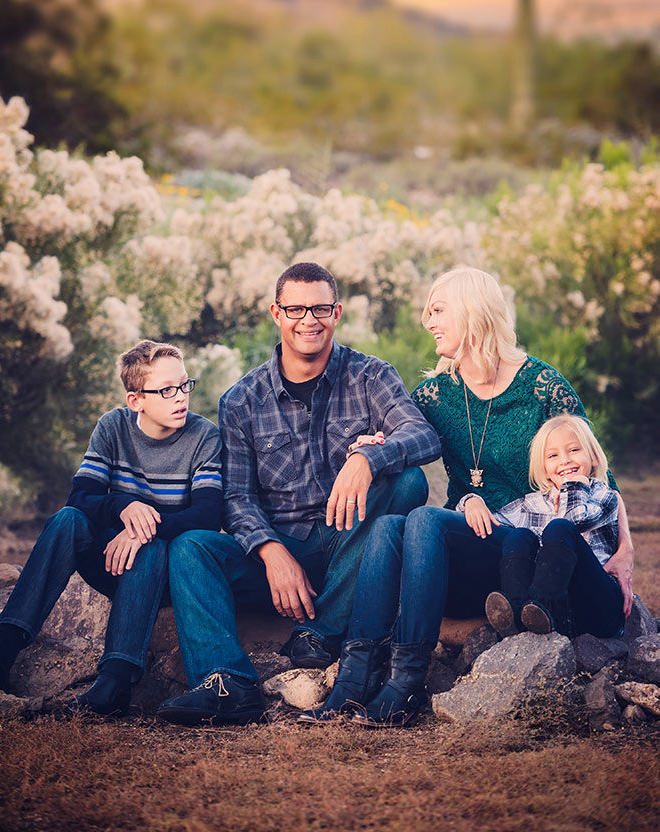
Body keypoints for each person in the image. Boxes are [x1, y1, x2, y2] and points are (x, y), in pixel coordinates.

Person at [301, 266, 633, 728]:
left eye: (438, 310)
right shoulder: (436, 394)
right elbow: (406, 432)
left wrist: (626, 549)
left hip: (529, 552)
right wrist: (373, 450)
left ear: (473, 311)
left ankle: (406, 682)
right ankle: (353, 680)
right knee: (388, 527)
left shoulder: (543, 387)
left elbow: (601, 473)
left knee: (424, 520)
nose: (427, 321)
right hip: (471, 551)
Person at [157, 262, 441, 726]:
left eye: (320, 308)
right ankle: (227, 684)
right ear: (276, 313)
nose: (309, 319)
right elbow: (237, 497)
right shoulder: (241, 400)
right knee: (191, 548)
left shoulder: (370, 376)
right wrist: (270, 552)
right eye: (296, 309)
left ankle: (322, 631)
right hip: (278, 555)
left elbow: (423, 436)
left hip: (351, 545)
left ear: (337, 312)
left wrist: (369, 459)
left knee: (408, 481)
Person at [0, 340, 222, 716]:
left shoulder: (204, 436)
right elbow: (80, 496)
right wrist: (125, 505)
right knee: (67, 520)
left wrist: (144, 525)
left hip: (164, 572)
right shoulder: (112, 427)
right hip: (112, 564)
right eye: (166, 390)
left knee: (150, 545)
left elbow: (209, 515)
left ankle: (115, 680)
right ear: (136, 401)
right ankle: (4, 652)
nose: (181, 397)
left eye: (184, 385)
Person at [476, 414, 624, 639]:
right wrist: (470, 501)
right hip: (563, 612)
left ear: (593, 457)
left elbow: (574, 520)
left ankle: (539, 606)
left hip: (600, 607)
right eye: (553, 455)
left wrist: (574, 486)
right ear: (544, 469)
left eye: (574, 450)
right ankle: (518, 614)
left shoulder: (604, 495)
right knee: (518, 536)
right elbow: (493, 525)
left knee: (559, 528)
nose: (564, 460)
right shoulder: (532, 504)